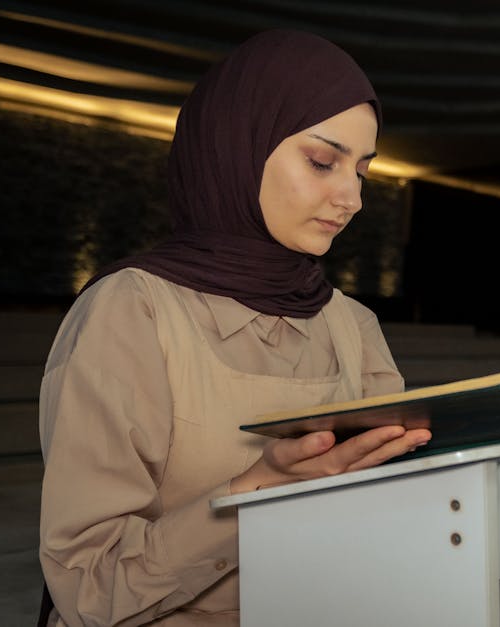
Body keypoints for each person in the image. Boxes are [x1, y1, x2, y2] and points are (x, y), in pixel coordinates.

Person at [37, 29, 432, 626]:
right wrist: (255, 490)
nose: (352, 198)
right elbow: (89, 588)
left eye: (362, 172)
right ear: (237, 148)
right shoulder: (135, 309)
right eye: (322, 162)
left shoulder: (352, 324)